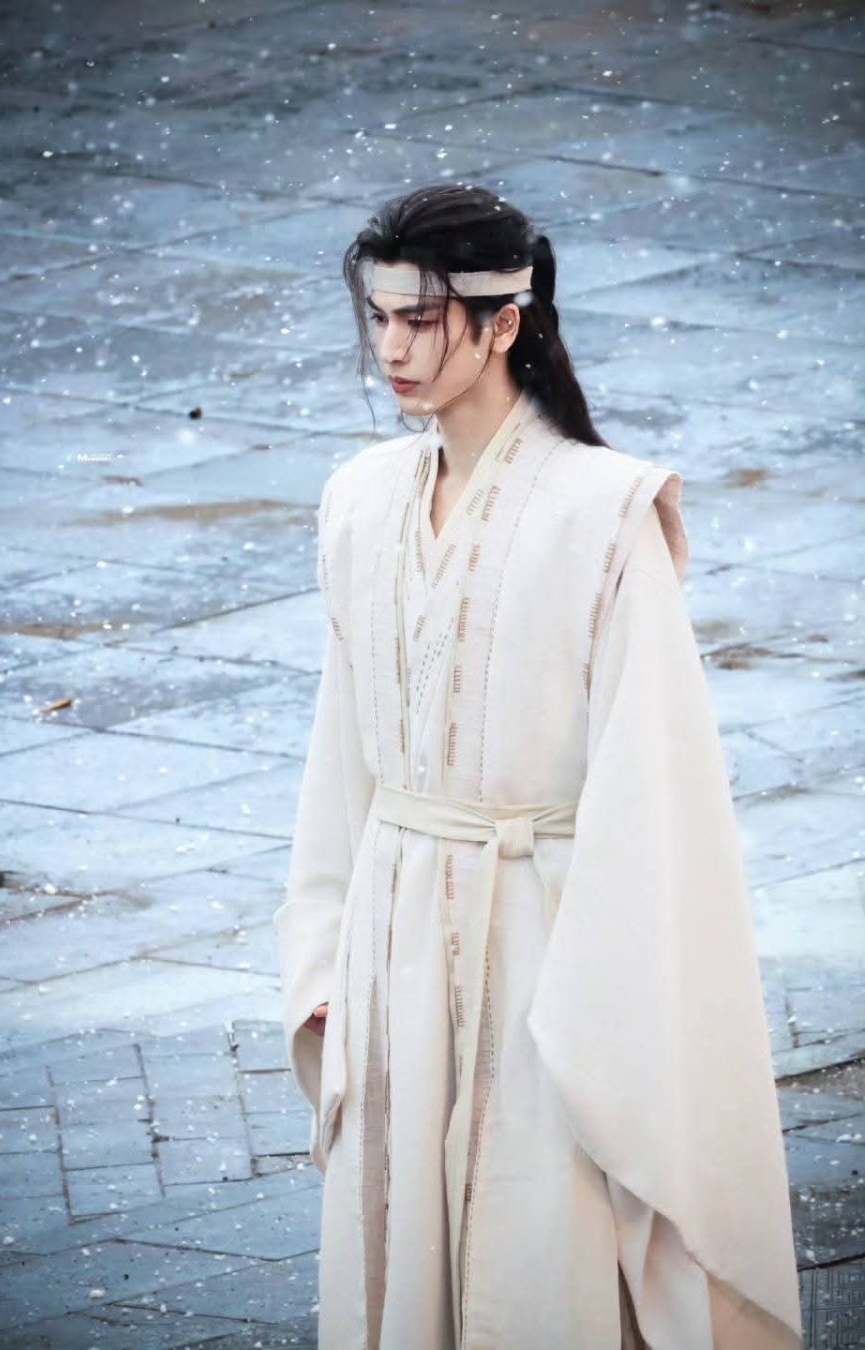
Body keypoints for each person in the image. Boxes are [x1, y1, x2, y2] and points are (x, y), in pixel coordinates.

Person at [273, 183, 802, 1350]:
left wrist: (607, 1006)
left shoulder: (603, 514)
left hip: (545, 942)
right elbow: (342, 755)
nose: (393, 348)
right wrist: (323, 951)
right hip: (395, 933)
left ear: (504, 323)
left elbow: (656, 787)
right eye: (379, 318)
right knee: (402, 1249)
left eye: (422, 320)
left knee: (539, 1242)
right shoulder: (361, 501)